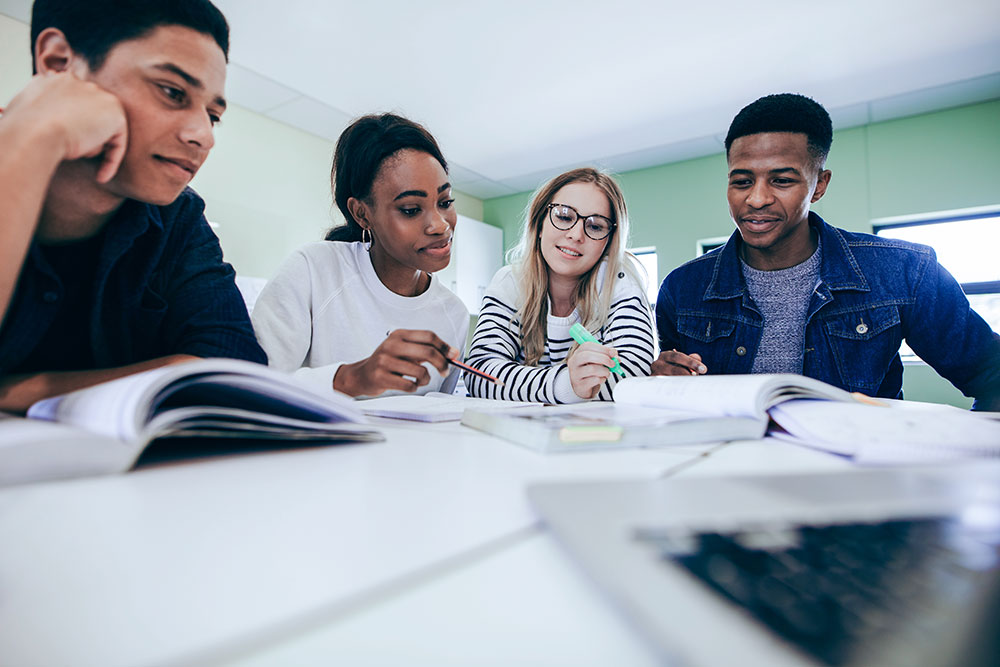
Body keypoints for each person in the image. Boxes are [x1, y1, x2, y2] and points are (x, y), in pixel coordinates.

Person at [652, 93, 1000, 410]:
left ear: (819, 184)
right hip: (725, 472)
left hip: (858, 474)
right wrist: (662, 385)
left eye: (782, 180)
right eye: (741, 181)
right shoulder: (683, 288)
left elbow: (993, 378)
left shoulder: (905, 270)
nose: (756, 199)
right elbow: (677, 400)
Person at [0, 0, 265, 414]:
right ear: (58, 62)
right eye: (173, 92)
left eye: (212, 116)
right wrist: (35, 135)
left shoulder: (179, 219)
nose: (203, 136)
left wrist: (16, 392)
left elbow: (233, 369)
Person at [251, 113, 469, 398]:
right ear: (362, 214)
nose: (440, 225)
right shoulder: (312, 271)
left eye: (445, 202)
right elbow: (252, 388)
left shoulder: (454, 313)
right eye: (411, 210)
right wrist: (351, 378)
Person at [464, 167, 656, 402]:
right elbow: (480, 375)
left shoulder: (620, 281)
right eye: (564, 216)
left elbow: (633, 376)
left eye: (595, 226)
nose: (576, 235)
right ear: (540, 223)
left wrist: (528, 385)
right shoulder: (510, 282)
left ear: (608, 241)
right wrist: (567, 385)